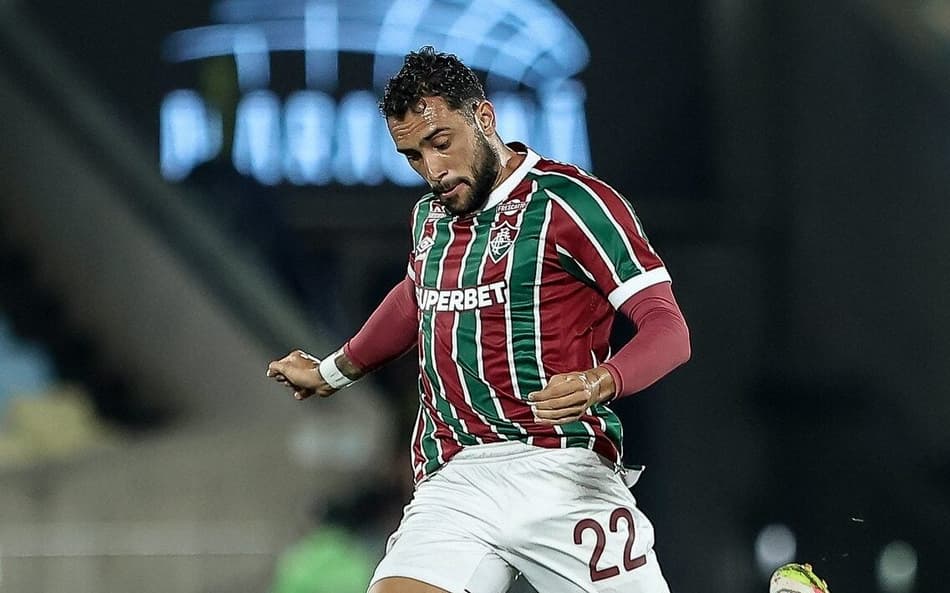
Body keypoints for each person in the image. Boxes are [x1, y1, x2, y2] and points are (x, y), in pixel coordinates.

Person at [267, 47, 691, 593]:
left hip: (560, 470)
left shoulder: (572, 204)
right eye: (413, 156)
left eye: (441, 143)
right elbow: (416, 296)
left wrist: (602, 379)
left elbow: (667, 328)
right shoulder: (430, 216)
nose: (434, 170)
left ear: (484, 118)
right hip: (457, 475)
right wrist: (331, 372)